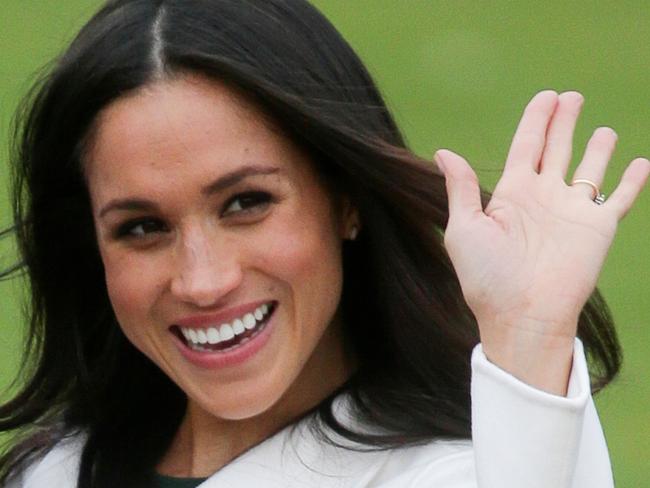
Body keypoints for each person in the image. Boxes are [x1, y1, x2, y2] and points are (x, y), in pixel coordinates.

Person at [0, 1, 648, 487]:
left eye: (246, 203)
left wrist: (526, 338)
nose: (202, 281)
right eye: (141, 228)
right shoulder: (49, 471)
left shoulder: (452, 474)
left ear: (345, 200)